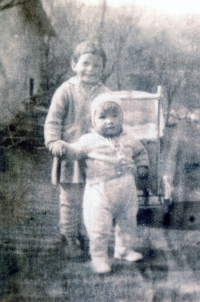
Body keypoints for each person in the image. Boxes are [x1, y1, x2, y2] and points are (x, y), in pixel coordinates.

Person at [52, 93, 149, 274]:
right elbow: (74, 152)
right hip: (99, 191)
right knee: (98, 227)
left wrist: (142, 166)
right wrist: (63, 148)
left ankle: (124, 249)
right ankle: (99, 257)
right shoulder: (88, 140)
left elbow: (141, 152)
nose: (110, 121)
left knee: (128, 222)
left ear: (122, 117)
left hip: (126, 189)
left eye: (115, 116)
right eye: (103, 117)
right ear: (94, 121)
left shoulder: (130, 138)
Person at [44, 41, 109, 258]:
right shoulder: (65, 91)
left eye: (97, 66)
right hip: (69, 156)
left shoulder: (106, 95)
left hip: (96, 158)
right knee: (70, 201)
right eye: (86, 63)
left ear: (103, 69)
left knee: (95, 201)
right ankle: (69, 237)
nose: (91, 69)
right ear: (74, 64)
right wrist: (53, 142)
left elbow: (115, 122)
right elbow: (53, 121)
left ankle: (91, 238)